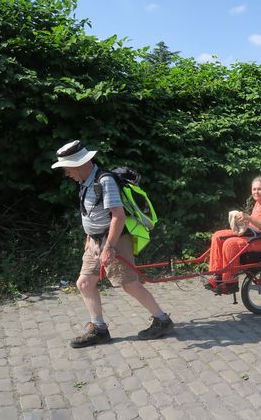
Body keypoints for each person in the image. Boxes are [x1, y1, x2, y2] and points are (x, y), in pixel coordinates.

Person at [51, 141, 173, 348]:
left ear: (81, 164)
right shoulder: (85, 182)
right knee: (84, 283)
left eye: (67, 169)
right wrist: (89, 237)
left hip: (113, 240)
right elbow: (92, 213)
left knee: (129, 284)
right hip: (95, 241)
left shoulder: (104, 181)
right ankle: (99, 329)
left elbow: (118, 216)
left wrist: (109, 247)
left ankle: (162, 320)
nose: (66, 173)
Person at [207, 176, 261, 293]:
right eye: (254, 189)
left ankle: (230, 283)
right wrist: (242, 221)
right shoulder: (258, 202)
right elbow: (254, 222)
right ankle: (217, 275)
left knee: (230, 244)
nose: (256, 192)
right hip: (253, 234)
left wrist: (248, 218)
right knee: (218, 236)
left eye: (259, 189)